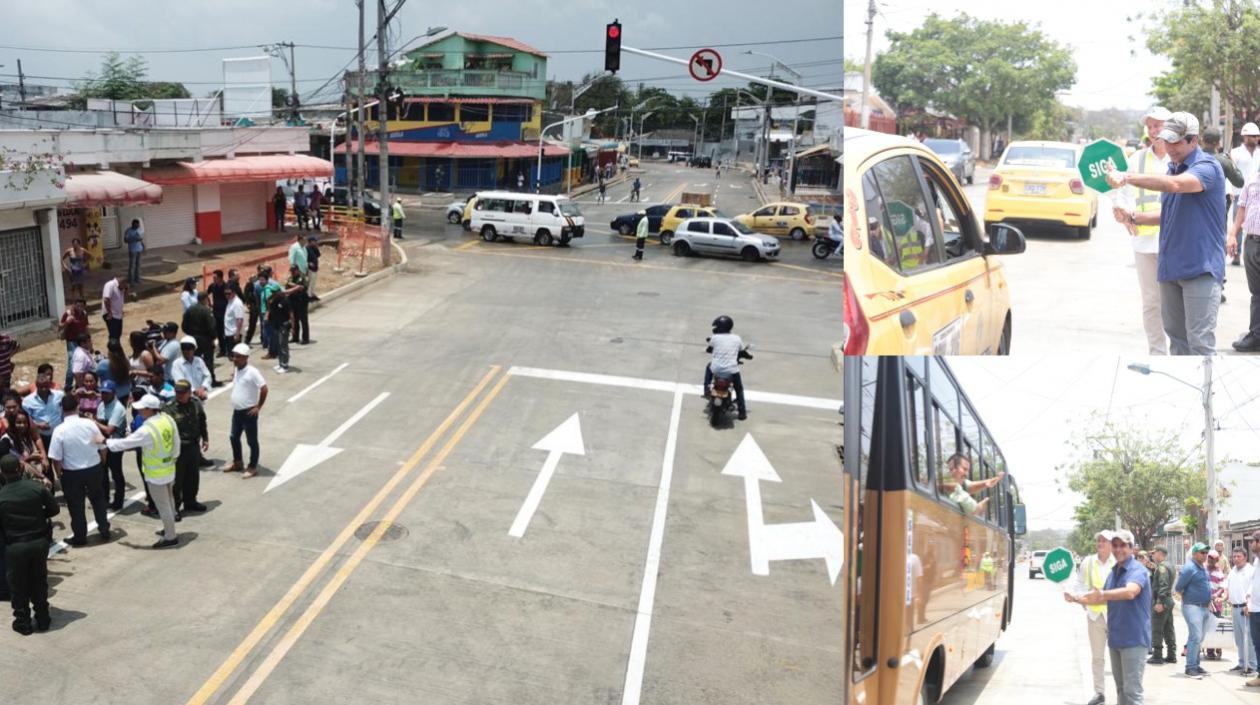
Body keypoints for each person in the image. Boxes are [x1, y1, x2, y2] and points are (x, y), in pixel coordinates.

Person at [1106, 112, 1226, 355]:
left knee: (1200, 343)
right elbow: (1170, 214)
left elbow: (1177, 185)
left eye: (1176, 141)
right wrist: (1132, 217)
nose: (1169, 147)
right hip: (1170, 267)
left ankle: (1205, 394)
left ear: (1194, 140)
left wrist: (1126, 177)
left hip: (1199, 268)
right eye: (1166, 140)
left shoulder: (1206, 167)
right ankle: (1183, 393)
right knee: (1178, 342)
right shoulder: (1173, 168)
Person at [1115, 106, 1171, 354]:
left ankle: (1180, 350)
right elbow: (1123, 194)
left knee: (1174, 303)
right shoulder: (1136, 159)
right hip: (1144, 243)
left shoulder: (1179, 159)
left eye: (1158, 125)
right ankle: (1157, 353)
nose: (1153, 130)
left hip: (1174, 241)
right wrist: (1122, 211)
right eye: (1150, 126)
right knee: (1151, 303)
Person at [1075, 530, 1151, 705]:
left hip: (1134, 639)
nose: (1118, 549)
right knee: (1122, 691)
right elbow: (1099, 596)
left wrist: (1101, 594)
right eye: (1115, 545)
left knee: (1132, 693)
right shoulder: (1114, 572)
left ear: (1132, 548)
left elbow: (1131, 591)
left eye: (1123, 545)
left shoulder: (1137, 570)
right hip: (1116, 639)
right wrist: (1077, 598)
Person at [102, 394, 180, 548]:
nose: (139, 412)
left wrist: (105, 442)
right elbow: (176, 441)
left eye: (142, 409)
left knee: (163, 505)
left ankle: (170, 536)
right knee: (169, 502)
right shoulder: (167, 418)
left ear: (149, 410)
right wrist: (174, 458)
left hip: (156, 474)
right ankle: (169, 529)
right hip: (169, 468)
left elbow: (125, 443)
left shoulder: (147, 429)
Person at [0, 454, 59, 635]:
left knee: (18, 585)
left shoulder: (2, 496)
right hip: (39, 542)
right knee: (39, 581)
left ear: (2, 473)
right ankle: (43, 618)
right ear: (20, 468)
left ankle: (23, 622)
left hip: (15, 545)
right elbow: (54, 509)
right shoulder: (36, 488)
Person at [47, 394, 111, 547]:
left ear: (62, 409)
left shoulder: (59, 430)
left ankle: (80, 536)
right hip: (93, 468)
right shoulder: (89, 424)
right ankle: (104, 529)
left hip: (72, 473)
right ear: (77, 407)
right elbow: (103, 446)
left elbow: (56, 458)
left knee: (76, 506)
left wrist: (59, 474)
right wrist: (102, 462)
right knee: (98, 500)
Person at [1066, 530, 1115, 705]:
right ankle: (1099, 693)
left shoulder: (1117, 561)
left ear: (1111, 544)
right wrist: (1077, 597)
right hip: (1095, 616)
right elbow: (1079, 584)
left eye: (1104, 541)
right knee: (1097, 657)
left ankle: (1124, 691)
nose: (1100, 543)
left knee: (1120, 656)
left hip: (1116, 616)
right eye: (1099, 540)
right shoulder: (1088, 562)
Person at [164, 380, 208, 514]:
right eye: (178, 393)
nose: (180, 395)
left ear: (189, 393)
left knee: (193, 476)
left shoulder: (195, 404)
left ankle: (190, 501)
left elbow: (201, 421)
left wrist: (205, 438)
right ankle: (175, 507)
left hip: (193, 445)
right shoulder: (169, 408)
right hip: (178, 449)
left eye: (183, 393)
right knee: (177, 479)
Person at [1230, 163, 1260, 351]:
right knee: (1256, 292)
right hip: (1251, 242)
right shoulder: (1252, 179)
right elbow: (1241, 208)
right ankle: (1256, 335)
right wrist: (1233, 233)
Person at [225, 344, 267, 478]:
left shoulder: (252, 372)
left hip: (248, 413)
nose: (235, 359)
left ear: (246, 358)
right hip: (237, 412)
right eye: (234, 356)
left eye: (238, 357)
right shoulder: (237, 369)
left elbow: (264, 388)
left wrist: (258, 407)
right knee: (233, 437)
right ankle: (237, 462)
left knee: (252, 441)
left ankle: (252, 466)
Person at [1175, 542, 1213, 677]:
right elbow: (1178, 587)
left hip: (1203, 607)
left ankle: (1195, 665)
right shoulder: (1189, 568)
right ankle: (1190, 667)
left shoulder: (1202, 567)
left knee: (1199, 638)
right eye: (1202, 552)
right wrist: (1187, 598)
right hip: (1193, 607)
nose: (1205, 555)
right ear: (1194, 554)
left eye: (1206, 553)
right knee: (1195, 637)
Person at [702, 315, 750, 420]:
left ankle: (706, 389)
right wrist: (749, 356)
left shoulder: (715, 338)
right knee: (739, 388)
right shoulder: (737, 338)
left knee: (708, 367)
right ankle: (742, 413)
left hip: (716, 369)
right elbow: (743, 352)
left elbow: (709, 349)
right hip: (731, 370)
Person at [94, 380, 128, 510]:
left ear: (114, 393)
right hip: (103, 445)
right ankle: (105, 499)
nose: (104, 396)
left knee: (116, 474)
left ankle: (118, 501)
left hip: (115, 446)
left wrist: (93, 421)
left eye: (107, 393)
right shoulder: (101, 405)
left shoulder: (118, 408)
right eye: (102, 393)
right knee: (102, 473)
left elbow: (109, 430)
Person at [1231, 122, 1260, 265]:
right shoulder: (1236, 153)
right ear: (1244, 137)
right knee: (1238, 223)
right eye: (1252, 136)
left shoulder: (1259, 153)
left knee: (1253, 226)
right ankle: (1236, 254)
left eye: (1256, 136)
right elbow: (1229, 174)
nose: (1255, 139)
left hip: (1256, 196)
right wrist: (1229, 191)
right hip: (1238, 194)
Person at [1226, 546, 1257, 676]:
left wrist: (1249, 605)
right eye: (1234, 557)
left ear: (1245, 557)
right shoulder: (1233, 570)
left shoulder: (1251, 570)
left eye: (1239, 556)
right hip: (1235, 608)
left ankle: (1252, 666)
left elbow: (1254, 589)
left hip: (1246, 609)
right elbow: (1227, 585)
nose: (1236, 559)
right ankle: (1241, 662)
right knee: (1239, 639)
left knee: (1249, 639)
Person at [182, 292, 218, 387]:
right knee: (208, 360)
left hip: (193, 338)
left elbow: (184, 326)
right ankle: (211, 380)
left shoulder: (189, 310)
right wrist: (213, 338)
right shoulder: (206, 311)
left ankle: (193, 380)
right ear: (205, 299)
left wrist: (190, 334)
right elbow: (211, 326)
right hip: (205, 339)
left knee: (193, 359)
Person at [22, 373, 64, 453]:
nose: (44, 389)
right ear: (36, 386)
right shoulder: (27, 401)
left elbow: (65, 411)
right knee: (45, 458)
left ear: (50, 385)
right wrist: (38, 425)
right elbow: (26, 419)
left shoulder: (59, 395)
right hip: (41, 436)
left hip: (59, 433)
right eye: (41, 387)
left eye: (46, 386)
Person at [1149, 546, 1177, 664]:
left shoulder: (1162, 567)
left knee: (1157, 629)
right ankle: (1171, 654)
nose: (1152, 556)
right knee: (1168, 628)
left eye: (1154, 553)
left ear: (1160, 553)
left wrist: (1160, 602)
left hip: (1162, 601)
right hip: (1168, 601)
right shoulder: (1169, 565)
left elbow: (1163, 585)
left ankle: (1157, 655)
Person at [59, 298, 91, 388]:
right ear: (74, 305)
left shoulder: (84, 314)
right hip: (72, 342)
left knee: (85, 362)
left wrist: (89, 342)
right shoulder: (68, 314)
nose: (79, 307)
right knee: (72, 362)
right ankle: (68, 385)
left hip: (82, 342)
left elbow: (86, 328)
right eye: (78, 305)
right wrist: (67, 322)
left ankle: (82, 383)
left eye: (81, 306)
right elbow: (59, 326)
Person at [267, 288, 292, 373]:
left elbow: (291, 315)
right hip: (277, 325)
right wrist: (271, 297)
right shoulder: (275, 301)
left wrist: (293, 327)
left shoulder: (285, 301)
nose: (273, 294)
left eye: (275, 292)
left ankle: (285, 365)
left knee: (283, 346)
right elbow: (268, 303)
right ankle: (281, 363)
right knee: (279, 346)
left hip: (284, 326)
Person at [1247, 531, 1260, 688]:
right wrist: (1248, 595)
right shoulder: (1256, 561)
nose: (1251, 544)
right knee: (1257, 643)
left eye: (1254, 541)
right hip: (1255, 609)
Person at [286, 264, 310, 345]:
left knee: (303, 320)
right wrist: (296, 287)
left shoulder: (303, 277)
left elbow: (304, 287)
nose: (292, 273)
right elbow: (287, 286)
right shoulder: (290, 278)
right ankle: (295, 337)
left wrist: (294, 286)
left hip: (302, 301)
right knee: (295, 320)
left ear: (297, 270)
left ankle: (305, 338)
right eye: (291, 271)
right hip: (293, 301)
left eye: (293, 271)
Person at [207, 270, 229, 358]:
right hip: (216, 312)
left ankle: (229, 349)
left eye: (215, 278)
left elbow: (230, 298)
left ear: (220, 278)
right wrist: (209, 304)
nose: (214, 279)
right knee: (219, 332)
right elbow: (206, 294)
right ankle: (222, 350)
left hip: (225, 312)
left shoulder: (226, 287)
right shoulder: (212, 286)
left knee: (227, 331)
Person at [101, 274, 126, 343]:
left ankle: (115, 349)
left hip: (118, 315)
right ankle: (113, 350)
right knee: (114, 336)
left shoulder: (122, 288)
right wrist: (109, 312)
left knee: (118, 334)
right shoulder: (110, 285)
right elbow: (106, 299)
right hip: (111, 315)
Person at [223, 286, 246, 355]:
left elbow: (239, 319)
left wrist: (237, 333)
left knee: (235, 356)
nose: (227, 295)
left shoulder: (237, 303)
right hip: (228, 332)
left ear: (234, 292)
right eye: (225, 293)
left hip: (233, 333)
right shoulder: (230, 301)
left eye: (229, 293)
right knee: (231, 355)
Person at [123, 219, 144, 285]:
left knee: (138, 265)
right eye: (136, 225)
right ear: (133, 224)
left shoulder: (139, 229)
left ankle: (137, 279)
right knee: (132, 266)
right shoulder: (128, 231)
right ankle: (131, 280)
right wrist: (134, 238)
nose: (137, 226)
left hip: (139, 249)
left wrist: (143, 245)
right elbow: (125, 240)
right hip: (132, 250)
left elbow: (140, 238)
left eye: (138, 225)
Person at [305, 235, 321, 301]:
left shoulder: (313, 248)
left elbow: (318, 255)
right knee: (310, 282)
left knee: (313, 282)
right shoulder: (306, 248)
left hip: (315, 268)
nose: (316, 242)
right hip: (310, 269)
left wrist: (316, 247)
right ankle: (308, 296)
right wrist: (308, 263)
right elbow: (304, 258)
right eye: (314, 241)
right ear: (310, 242)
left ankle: (311, 294)